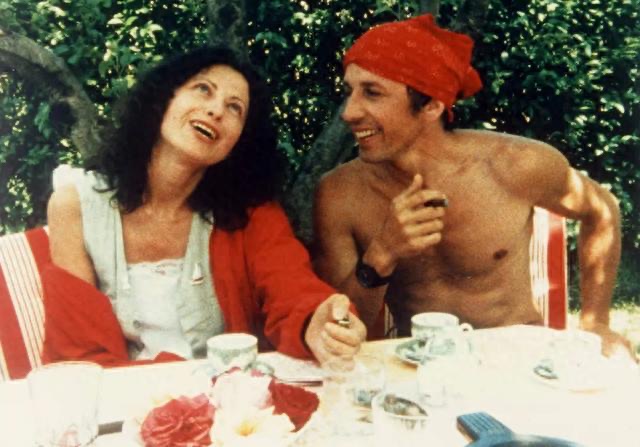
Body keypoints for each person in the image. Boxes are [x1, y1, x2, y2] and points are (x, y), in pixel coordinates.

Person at [313, 15, 632, 357]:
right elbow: (342, 328)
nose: (349, 112)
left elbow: (602, 210)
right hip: (419, 364)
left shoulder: (514, 165)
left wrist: (596, 322)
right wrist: (382, 253)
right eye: (350, 91)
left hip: (517, 357)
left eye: (372, 93)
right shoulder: (339, 194)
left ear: (432, 105)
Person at [43, 45, 366, 367]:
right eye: (203, 89)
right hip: (122, 391)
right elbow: (78, 351)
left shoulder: (251, 214)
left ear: (239, 141)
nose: (216, 111)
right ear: (163, 99)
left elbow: (293, 291)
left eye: (235, 108)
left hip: (229, 392)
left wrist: (317, 324)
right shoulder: (75, 206)